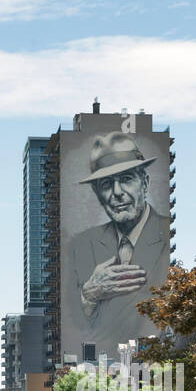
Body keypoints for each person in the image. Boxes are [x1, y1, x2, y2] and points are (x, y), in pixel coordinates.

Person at [68, 132, 171, 347]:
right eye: (106, 184)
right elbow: (73, 324)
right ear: (97, 193)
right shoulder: (80, 245)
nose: (117, 192)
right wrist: (88, 296)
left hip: (154, 366)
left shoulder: (166, 233)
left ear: (145, 182)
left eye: (126, 180)